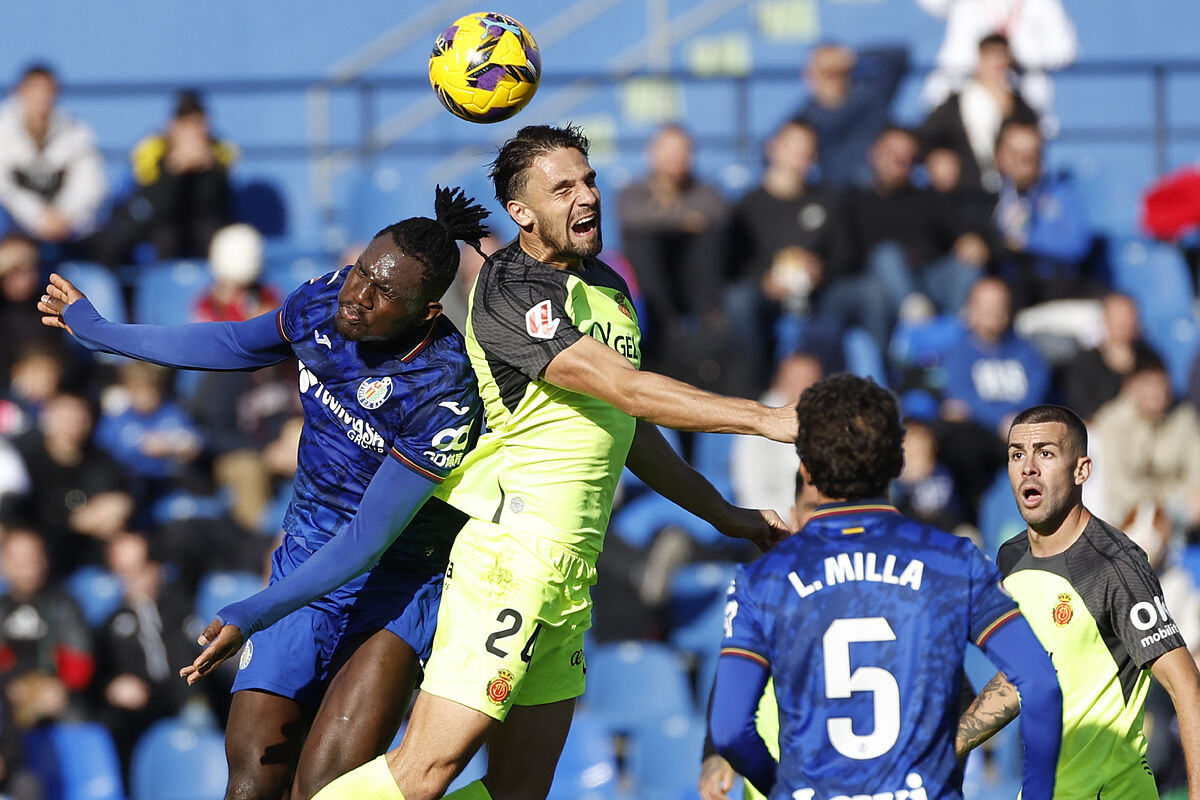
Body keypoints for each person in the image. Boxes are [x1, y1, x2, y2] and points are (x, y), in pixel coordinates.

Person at [311, 123, 794, 800]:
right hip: (512, 557)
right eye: (562, 186)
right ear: (522, 212)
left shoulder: (608, 288)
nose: (586, 194)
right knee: (423, 772)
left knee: (518, 793)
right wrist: (766, 418)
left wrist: (729, 516)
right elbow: (624, 386)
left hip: (569, 575)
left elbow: (625, 424)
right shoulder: (510, 288)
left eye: (589, 178)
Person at [37, 186, 491, 800]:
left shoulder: (442, 387)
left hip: (392, 586)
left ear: (427, 312)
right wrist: (99, 330)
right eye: (361, 274)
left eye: (385, 294)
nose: (357, 298)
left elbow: (367, 539)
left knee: (325, 787)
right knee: (251, 778)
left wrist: (255, 611)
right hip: (303, 560)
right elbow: (231, 344)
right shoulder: (326, 300)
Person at [709, 374, 1062, 800]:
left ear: (806, 469)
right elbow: (1040, 682)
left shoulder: (762, 579)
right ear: (898, 463)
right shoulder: (954, 560)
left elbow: (728, 728)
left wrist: (782, 788)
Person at [955, 404, 1200, 798]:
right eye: (1017, 454)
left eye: (1046, 453)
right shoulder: (1011, 558)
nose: (1028, 468)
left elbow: (1186, 685)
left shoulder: (1114, 565)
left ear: (1081, 470)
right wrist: (953, 742)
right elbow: (1030, 672)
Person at [616, 124, 734, 386]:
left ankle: (708, 319)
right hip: (653, 285)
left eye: (682, 153)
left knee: (708, 238)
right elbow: (632, 219)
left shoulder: (705, 190)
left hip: (695, 280)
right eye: (669, 152)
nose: (675, 160)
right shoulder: (632, 192)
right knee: (644, 241)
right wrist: (683, 218)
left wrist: (664, 214)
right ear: (652, 154)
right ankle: (665, 325)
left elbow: (716, 214)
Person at [87, 88, 236, 266]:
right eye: (185, 124)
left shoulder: (219, 153)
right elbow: (152, 205)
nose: (192, 132)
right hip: (159, 225)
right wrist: (173, 170)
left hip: (199, 226)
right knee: (163, 237)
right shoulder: (151, 150)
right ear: (173, 126)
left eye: (197, 124)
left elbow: (216, 209)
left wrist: (209, 170)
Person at [1090, 350, 1200, 532]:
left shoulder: (1184, 417)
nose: (1157, 392)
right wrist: (1161, 503)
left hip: (1178, 509)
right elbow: (1120, 486)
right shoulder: (1112, 421)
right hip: (1129, 516)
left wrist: (1174, 501)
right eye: (1148, 384)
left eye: (1161, 383)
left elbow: (1196, 473)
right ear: (1130, 387)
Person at [990, 119, 1092, 311]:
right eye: (1015, 153)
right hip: (1004, 292)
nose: (1024, 161)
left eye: (1031, 154)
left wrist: (1028, 243)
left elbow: (1077, 245)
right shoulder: (986, 196)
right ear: (999, 155)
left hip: (1052, 289)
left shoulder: (1061, 194)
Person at [0, 64, 106, 247]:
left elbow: (91, 186)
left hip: (68, 234)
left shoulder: (75, 132)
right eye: (34, 92)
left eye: (48, 92)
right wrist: (37, 217)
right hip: (13, 234)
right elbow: (5, 189)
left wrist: (63, 216)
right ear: (20, 92)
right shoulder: (4, 130)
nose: (41, 100)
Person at [920, 34, 1039, 193]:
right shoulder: (955, 103)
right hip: (962, 192)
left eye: (1001, 56)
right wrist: (936, 157)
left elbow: (1031, 139)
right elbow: (926, 136)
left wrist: (1008, 110)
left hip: (1009, 196)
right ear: (980, 58)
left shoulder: (1020, 106)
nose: (996, 63)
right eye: (991, 55)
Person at [941, 276, 1050, 436]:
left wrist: (1016, 421)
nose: (995, 311)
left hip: (1024, 431)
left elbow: (1037, 394)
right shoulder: (957, 355)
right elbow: (960, 400)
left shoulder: (1028, 353)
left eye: (1001, 304)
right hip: (978, 435)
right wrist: (1000, 420)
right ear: (971, 308)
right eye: (987, 305)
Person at [791, 43, 909, 189]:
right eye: (826, 72)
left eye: (840, 71)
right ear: (809, 76)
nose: (834, 79)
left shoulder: (870, 100)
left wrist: (854, 55)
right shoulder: (803, 120)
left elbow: (898, 56)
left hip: (880, 195)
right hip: (834, 200)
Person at [1063, 291, 1161, 421]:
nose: (1122, 323)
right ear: (1105, 320)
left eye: (1128, 317)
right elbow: (1080, 408)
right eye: (1116, 317)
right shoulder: (1085, 361)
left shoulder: (1150, 359)